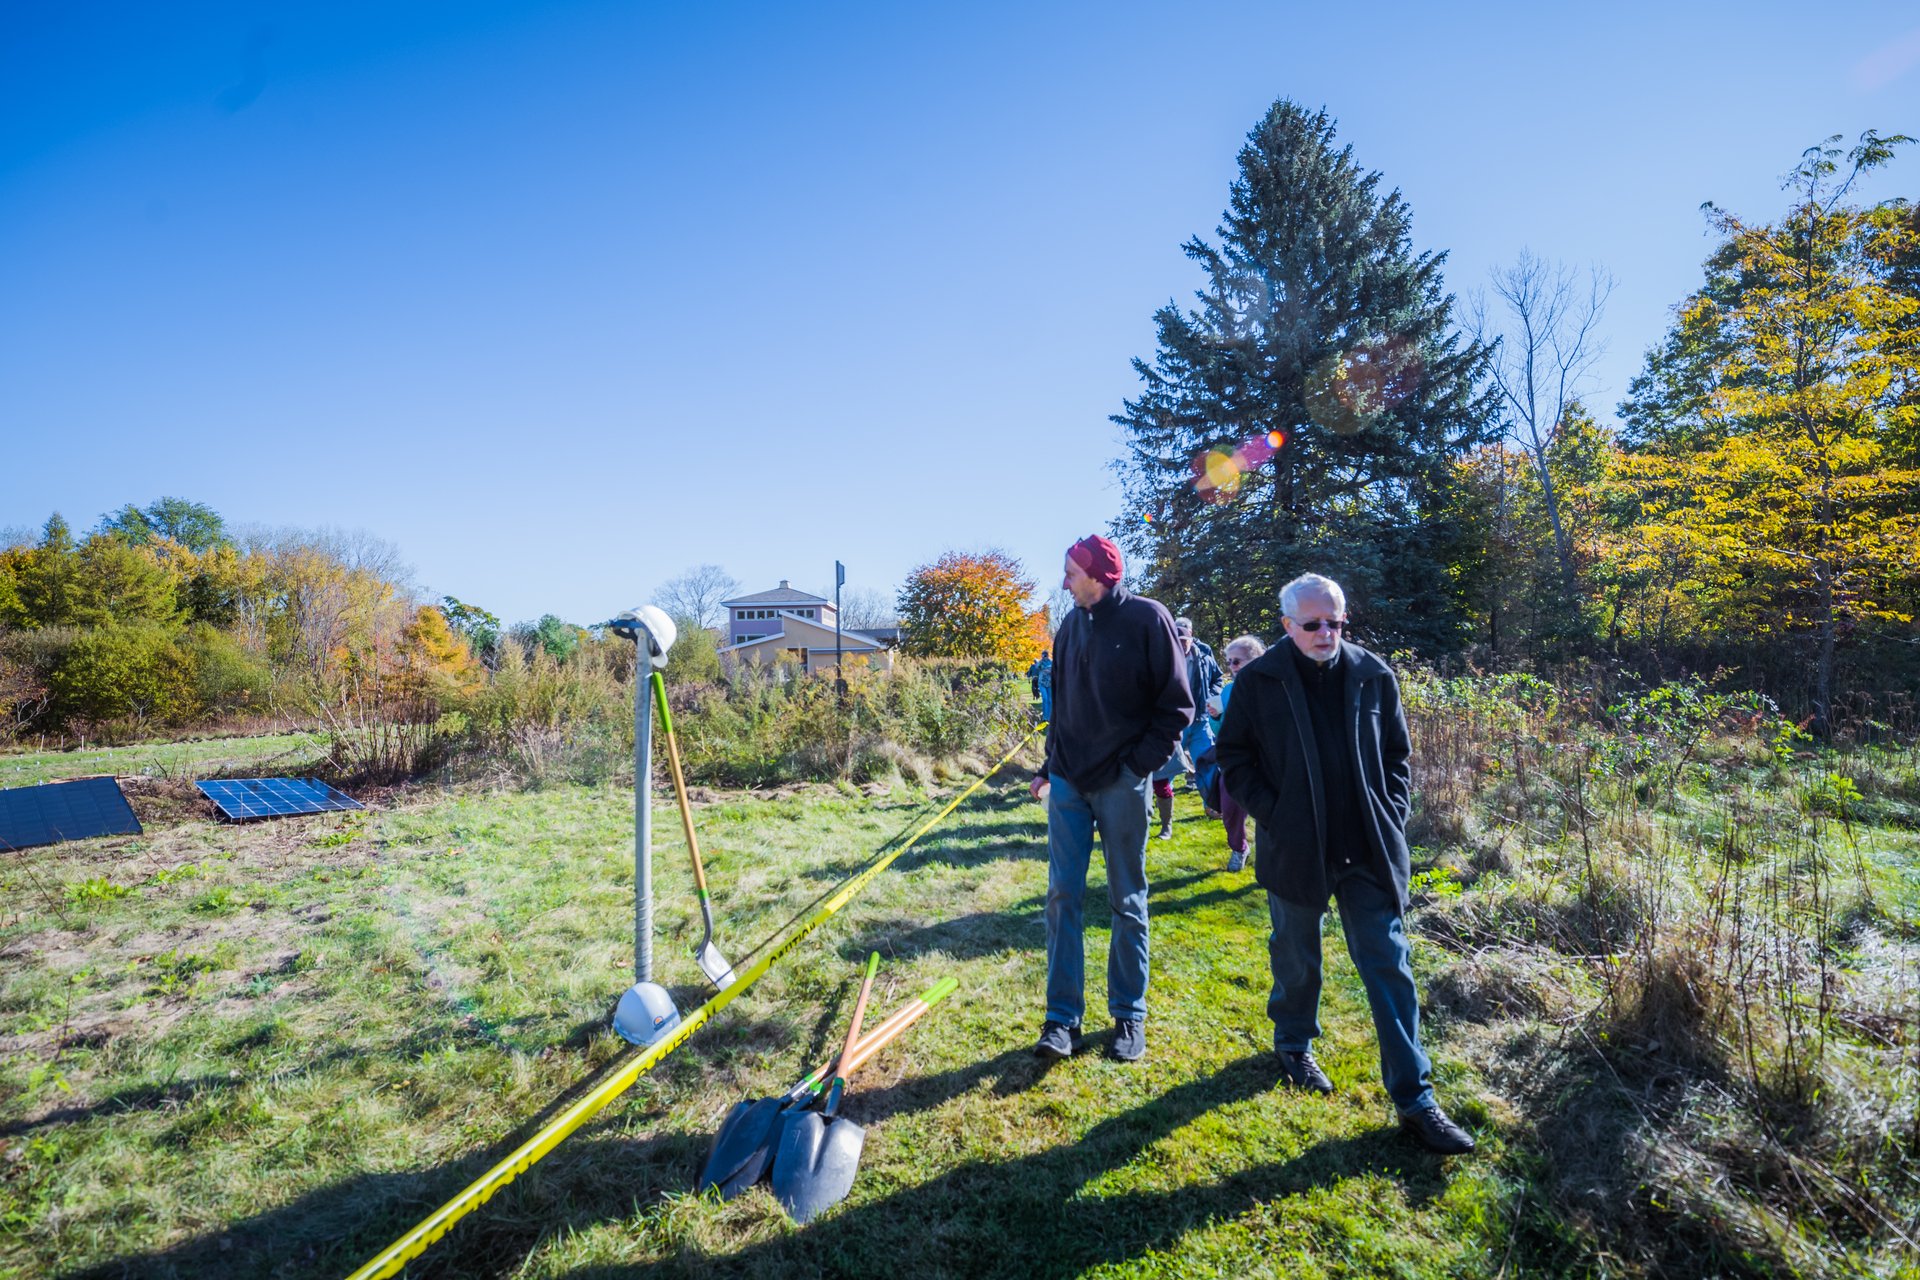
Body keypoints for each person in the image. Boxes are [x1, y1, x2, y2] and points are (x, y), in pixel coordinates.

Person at [1214, 573, 1475, 1155]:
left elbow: (1398, 756)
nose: (1326, 633)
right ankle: (1294, 1042)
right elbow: (1232, 756)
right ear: (1287, 625)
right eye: (1313, 624)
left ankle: (1416, 1100)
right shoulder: (1259, 681)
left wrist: (1391, 810)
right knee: (1297, 956)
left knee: (1388, 963)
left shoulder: (1373, 674)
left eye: (1335, 622)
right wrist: (1274, 814)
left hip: (1368, 848)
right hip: (1296, 847)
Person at [1029, 535, 1192, 1063]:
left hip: (1123, 783)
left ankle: (1128, 1014)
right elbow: (1064, 710)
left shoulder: (1149, 619)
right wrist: (1048, 767)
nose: (1064, 581)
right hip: (1071, 784)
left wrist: (1135, 769)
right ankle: (1062, 1020)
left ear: (1100, 575)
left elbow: (1176, 707)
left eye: (1071, 572)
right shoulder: (1069, 626)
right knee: (1061, 899)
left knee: (1127, 899)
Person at [1155, 618, 1224, 839]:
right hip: (1175, 725)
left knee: (1207, 764)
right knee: (1168, 771)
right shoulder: (1163, 658)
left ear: (1191, 638)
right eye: (1178, 639)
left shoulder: (1203, 656)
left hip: (1200, 721)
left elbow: (1217, 679)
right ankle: (1166, 820)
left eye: (1185, 640)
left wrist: (1213, 697)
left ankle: (1213, 806)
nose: (1181, 644)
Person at [1209, 634, 1265, 871]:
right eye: (1229, 662)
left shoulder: (1273, 686)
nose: (1231, 668)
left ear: (1255, 659)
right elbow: (1222, 731)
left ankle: (1272, 857)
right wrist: (1216, 717)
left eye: (1237, 661)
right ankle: (1239, 847)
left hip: (1267, 762)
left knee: (1270, 815)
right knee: (1230, 809)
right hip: (1236, 764)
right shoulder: (1228, 691)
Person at [1027, 648, 1054, 723]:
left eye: (1045, 656)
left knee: (1050, 700)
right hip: (1041, 683)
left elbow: (1054, 670)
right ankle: (1045, 717)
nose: (1044, 657)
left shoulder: (1051, 662)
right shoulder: (1040, 662)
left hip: (1049, 683)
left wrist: (1047, 670)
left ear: (1048, 656)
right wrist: (1041, 661)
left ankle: (1050, 716)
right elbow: (1036, 667)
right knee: (1045, 699)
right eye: (1043, 656)